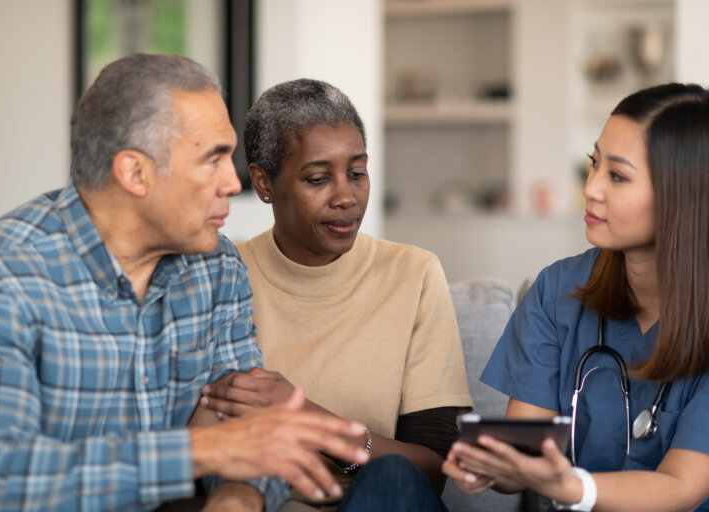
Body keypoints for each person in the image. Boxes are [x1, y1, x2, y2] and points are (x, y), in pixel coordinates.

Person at [0, 54, 372, 512]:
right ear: (135, 173)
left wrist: (237, 497)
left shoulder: (217, 267)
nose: (233, 181)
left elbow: (249, 434)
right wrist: (202, 451)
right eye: (213, 160)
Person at [198, 78, 473, 510]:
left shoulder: (414, 274)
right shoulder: (220, 276)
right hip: (267, 503)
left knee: (393, 476)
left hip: (385, 502)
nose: (346, 197)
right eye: (318, 179)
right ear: (264, 181)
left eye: (357, 173)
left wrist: (310, 418)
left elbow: (432, 470)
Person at [444, 82, 709, 511]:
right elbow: (521, 460)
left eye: (618, 176)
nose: (591, 188)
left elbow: (681, 488)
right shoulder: (557, 292)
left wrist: (571, 487)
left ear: (683, 196)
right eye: (594, 163)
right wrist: (493, 464)